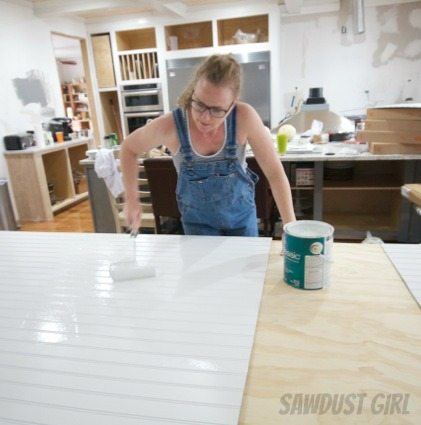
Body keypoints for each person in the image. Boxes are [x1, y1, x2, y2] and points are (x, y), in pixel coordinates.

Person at [120, 54, 296, 236]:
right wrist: (132, 200)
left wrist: (290, 228)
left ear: (232, 103)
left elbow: (275, 174)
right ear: (193, 92)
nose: (205, 117)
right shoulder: (171, 125)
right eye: (199, 104)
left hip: (242, 223)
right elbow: (129, 149)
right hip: (197, 228)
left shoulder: (245, 117)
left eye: (217, 110)